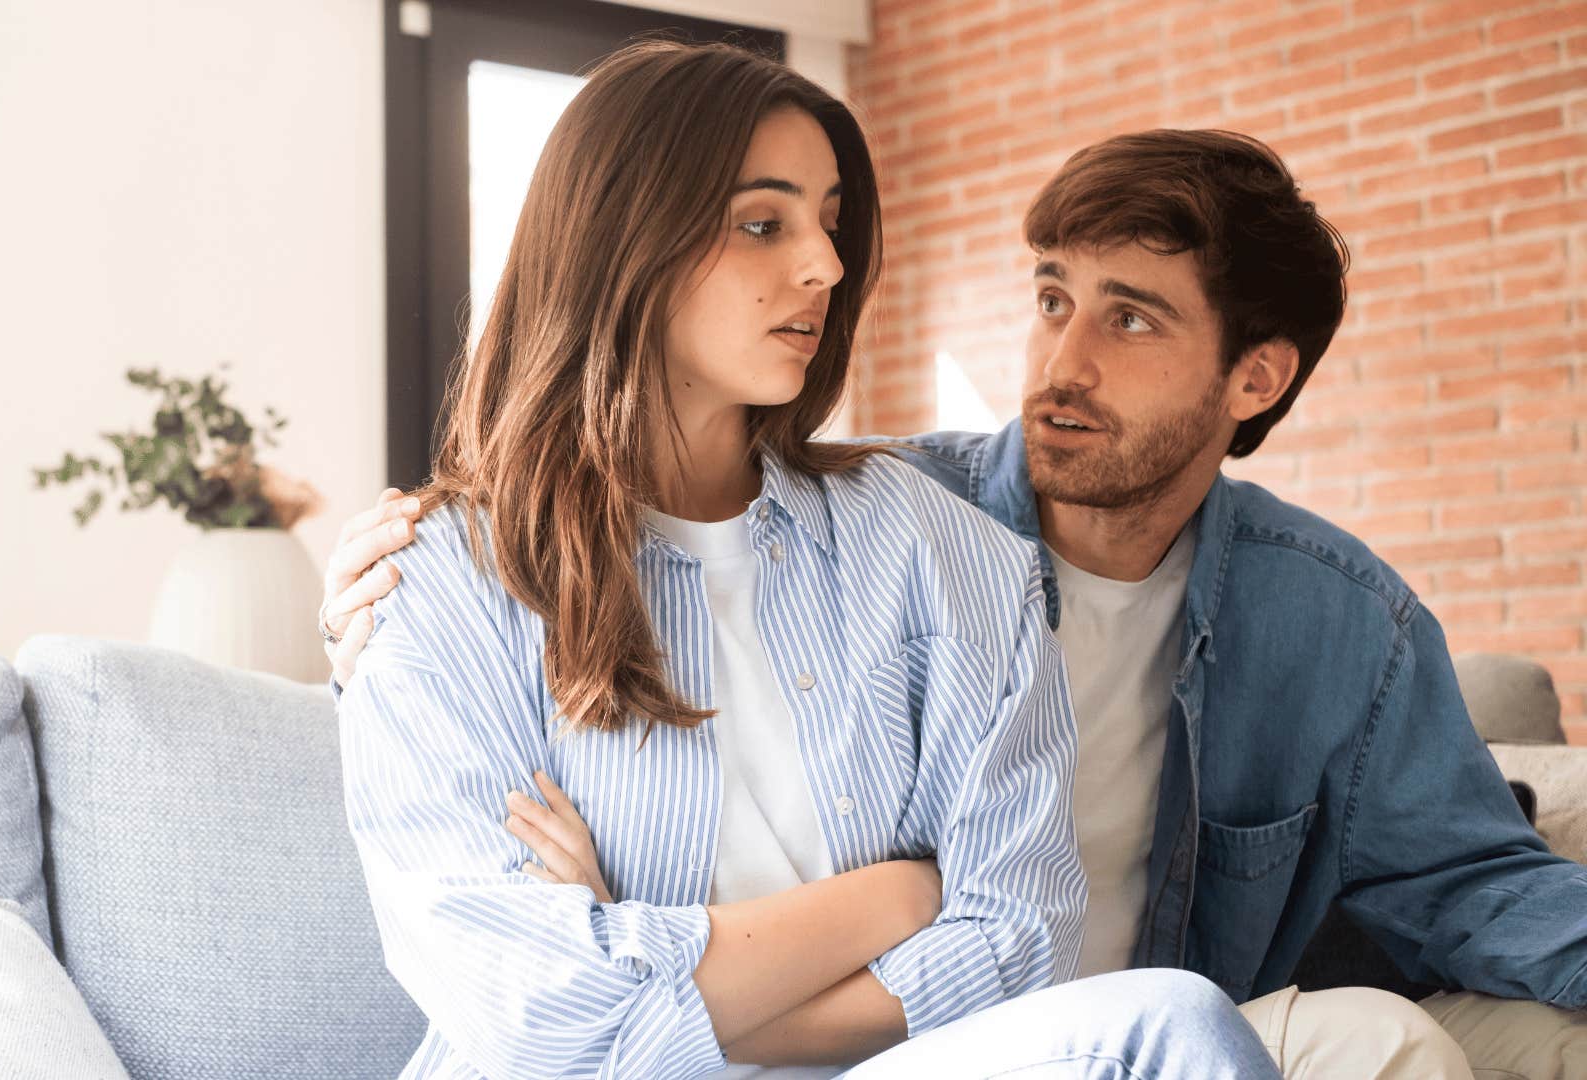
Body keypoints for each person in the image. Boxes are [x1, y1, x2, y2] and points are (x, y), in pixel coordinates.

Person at [327, 125, 1587, 1078]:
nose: (1061, 365)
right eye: (1052, 301)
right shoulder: (884, 519)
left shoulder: (1338, 621)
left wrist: (657, 979)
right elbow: (510, 952)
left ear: (1253, 379)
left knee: (1437, 1036)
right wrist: (371, 629)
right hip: (924, 1030)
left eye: (1130, 322)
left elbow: (1472, 882)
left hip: (1089, 1020)